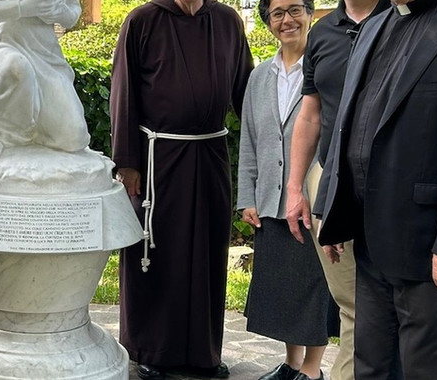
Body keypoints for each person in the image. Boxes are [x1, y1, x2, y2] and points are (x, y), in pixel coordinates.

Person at [315, 0, 437, 378]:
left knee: (428, 371)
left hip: (433, 249)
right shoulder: (375, 24)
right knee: (372, 367)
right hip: (372, 240)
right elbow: (347, 123)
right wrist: (332, 207)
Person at [110, 0, 253, 378]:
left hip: (211, 154)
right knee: (156, 253)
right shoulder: (142, 21)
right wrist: (127, 163)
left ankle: (204, 353)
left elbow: (247, 93)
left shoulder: (227, 21)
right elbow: (123, 93)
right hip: (158, 158)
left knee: (208, 252)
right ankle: (149, 351)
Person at [283, 0, 389, 377]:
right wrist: (295, 187)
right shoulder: (323, 34)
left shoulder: (401, 20)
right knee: (351, 303)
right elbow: (310, 113)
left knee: (384, 304)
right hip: (329, 182)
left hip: (389, 186)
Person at [237, 1, 332, 380]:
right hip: (270, 201)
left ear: (311, 14)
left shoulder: (327, 68)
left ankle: (312, 370)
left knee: (314, 287)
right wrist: (247, 196)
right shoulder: (259, 76)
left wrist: (316, 192)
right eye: (277, 13)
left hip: (311, 198)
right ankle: (292, 365)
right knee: (284, 290)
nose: (287, 20)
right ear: (268, 22)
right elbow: (249, 140)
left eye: (295, 10)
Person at [0, 0, 91, 162]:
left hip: (46, 54)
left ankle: (35, 135)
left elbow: (72, 14)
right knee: (15, 68)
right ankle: (0, 135)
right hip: (8, 45)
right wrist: (24, 7)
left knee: (73, 136)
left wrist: (56, 11)